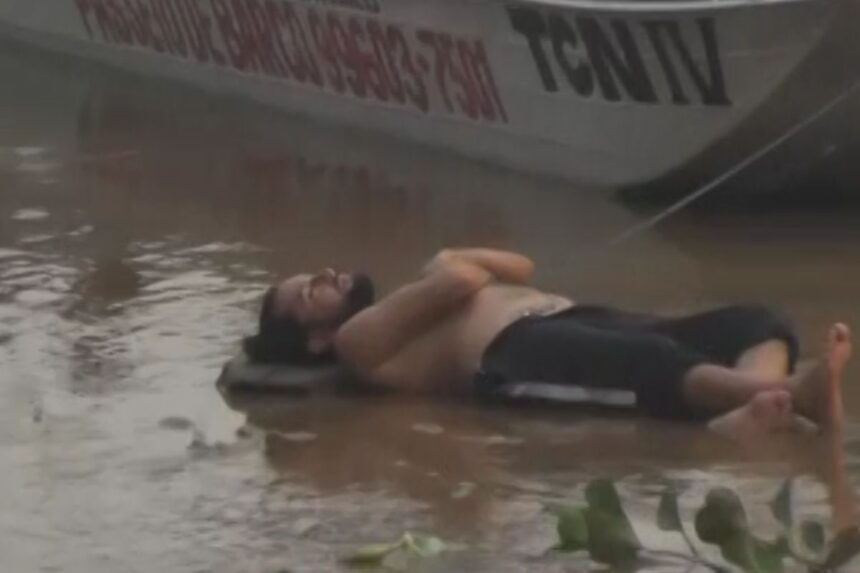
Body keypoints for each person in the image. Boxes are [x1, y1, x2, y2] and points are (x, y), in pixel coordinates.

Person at [243, 248, 852, 438]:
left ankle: (758, 407)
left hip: (570, 316)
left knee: (751, 319)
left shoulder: (417, 288)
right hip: (515, 354)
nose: (325, 278)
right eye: (309, 293)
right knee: (651, 362)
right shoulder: (353, 341)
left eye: (316, 275)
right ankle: (789, 392)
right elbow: (464, 278)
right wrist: (449, 262)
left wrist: (451, 262)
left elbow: (520, 264)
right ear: (316, 339)